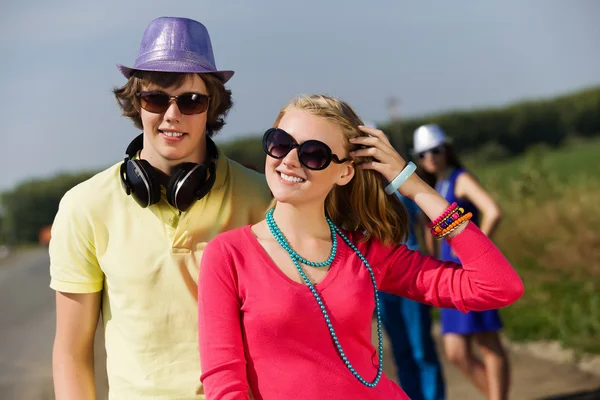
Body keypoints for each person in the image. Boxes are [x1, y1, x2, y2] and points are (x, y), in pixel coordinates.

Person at [197, 95, 524, 400]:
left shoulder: (366, 254)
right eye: (280, 143)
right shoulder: (229, 255)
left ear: (344, 172)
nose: (290, 160)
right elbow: (224, 381)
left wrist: (412, 185)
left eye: (314, 153)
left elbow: (496, 287)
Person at [49, 17, 272, 399]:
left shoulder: (262, 198)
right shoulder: (84, 206)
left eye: (190, 100)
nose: (172, 115)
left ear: (211, 105)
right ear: (137, 103)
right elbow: (71, 352)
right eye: (155, 98)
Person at [413, 124, 509, 400]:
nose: (430, 157)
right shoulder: (436, 185)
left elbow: (493, 211)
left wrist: (478, 250)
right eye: (423, 154)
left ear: (447, 150)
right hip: (453, 276)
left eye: (435, 150)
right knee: (455, 351)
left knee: (488, 343)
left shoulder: (460, 179)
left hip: (473, 272)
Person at [363, 122, 446, 400]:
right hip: (381, 284)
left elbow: (425, 221)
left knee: (421, 347)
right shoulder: (360, 192)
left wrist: (432, 259)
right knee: (400, 350)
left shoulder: (400, 182)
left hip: (411, 276)